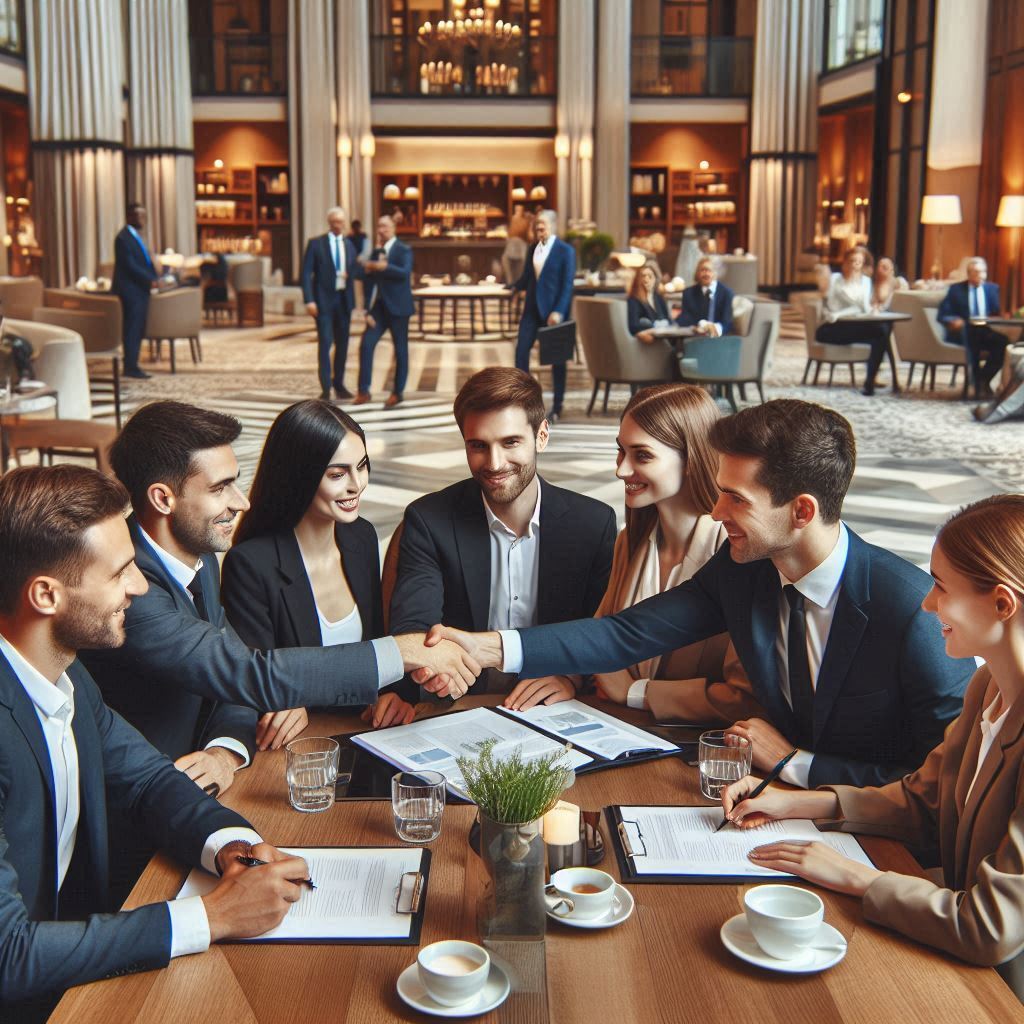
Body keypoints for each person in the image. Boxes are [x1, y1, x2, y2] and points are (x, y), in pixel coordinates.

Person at [426, 399, 975, 789]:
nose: (716, 512)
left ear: (801, 511)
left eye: (736, 499)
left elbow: (944, 774)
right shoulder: (744, 571)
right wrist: (487, 648)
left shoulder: (910, 608)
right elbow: (626, 633)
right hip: (756, 797)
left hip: (871, 831)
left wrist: (795, 766)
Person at [0, 465, 309, 1019]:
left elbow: (147, 780)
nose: (141, 587)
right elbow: (8, 954)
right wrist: (213, 918)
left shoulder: (66, 678)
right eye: (121, 573)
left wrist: (232, 848)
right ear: (46, 594)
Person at [722, 494, 1024, 998]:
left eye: (941, 587)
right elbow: (922, 798)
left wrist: (858, 878)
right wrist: (801, 802)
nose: (927, 603)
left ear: (1001, 603)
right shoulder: (988, 687)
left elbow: (989, 926)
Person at [79, 400, 480, 765]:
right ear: (163, 499)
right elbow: (248, 673)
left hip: (208, 768)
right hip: (146, 793)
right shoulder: (130, 589)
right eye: (220, 488)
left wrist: (226, 750)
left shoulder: (200, 557)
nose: (242, 502)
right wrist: (399, 651)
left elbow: (229, 674)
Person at [504, 383, 766, 722]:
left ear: (691, 459)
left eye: (642, 455)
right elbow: (605, 635)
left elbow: (745, 699)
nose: (621, 470)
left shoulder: (736, 553)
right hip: (621, 728)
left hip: (699, 750)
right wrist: (570, 676)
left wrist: (636, 693)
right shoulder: (632, 539)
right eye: (620, 451)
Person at [371, 367, 617, 726]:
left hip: (553, 707)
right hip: (457, 706)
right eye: (478, 446)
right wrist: (432, 670)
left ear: (542, 436)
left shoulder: (592, 524)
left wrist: (573, 676)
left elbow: (603, 632)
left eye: (510, 442)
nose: (495, 463)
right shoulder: (430, 519)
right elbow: (413, 626)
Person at [221, 400, 387, 744]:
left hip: (368, 732)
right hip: (297, 748)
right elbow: (256, 682)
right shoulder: (251, 565)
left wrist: (391, 694)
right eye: (338, 475)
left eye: (362, 466)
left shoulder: (362, 536)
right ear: (300, 476)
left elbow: (378, 645)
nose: (357, 485)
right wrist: (288, 704)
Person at [511, 209, 576, 422]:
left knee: (558, 360)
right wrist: (508, 287)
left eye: (543, 225)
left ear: (553, 226)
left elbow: (567, 284)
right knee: (521, 353)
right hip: (531, 310)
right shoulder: (533, 249)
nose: (540, 228)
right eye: (537, 225)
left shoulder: (566, 251)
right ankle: (525, 401)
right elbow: (527, 278)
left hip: (553, 313)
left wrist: (559, 310)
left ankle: (557, 406)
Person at [818, 247, 899, 397]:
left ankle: (870, 382)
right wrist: (857, 309)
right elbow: (832, 307)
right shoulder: (836, 279)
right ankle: (877, 381)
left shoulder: (866, 282)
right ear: (845, 262)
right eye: (852, 261)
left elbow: (864, 308)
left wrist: (874, 309)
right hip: (833, 327)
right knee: (882, 332)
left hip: (855, 325)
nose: (855, 265)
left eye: (859, 262)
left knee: (884, 330)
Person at [301, 206, 360, 401]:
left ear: (344, 223)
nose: (338, 225)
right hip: (323, 301)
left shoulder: (350, 245)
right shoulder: (316, 244)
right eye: (335, 222)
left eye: (341, 222)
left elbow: (355, 271)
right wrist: (309, 299)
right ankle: (326, 387)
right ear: (329, 222)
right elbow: (305, 274)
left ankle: (339, 384)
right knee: (325, 343)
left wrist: (349, 274)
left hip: (344, 301)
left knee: (342, 345)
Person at [355, 215, 414, 408]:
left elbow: (404, 272)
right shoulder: (376, 252)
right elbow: (368, 281)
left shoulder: (403, 249)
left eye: (385, 226)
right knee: (366, 345)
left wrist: (383, 266)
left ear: (393, 228)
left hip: (399, 309)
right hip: (378, 309)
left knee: (400, 351)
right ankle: (363, 391)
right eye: (379, 226)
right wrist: (365, 310)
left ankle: (397, 392)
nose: (382, 229)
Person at [938, 257, 1007, 399]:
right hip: (962, 332)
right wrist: (953, 320)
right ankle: (977, 386)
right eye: (976, 272)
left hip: (985, 331)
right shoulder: (956, 289)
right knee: (973, 336)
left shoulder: (992, 289)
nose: (980, 275)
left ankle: (982, 379)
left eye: (983, 272)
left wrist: (1001, 318)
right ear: (969, 274)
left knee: (1003, 342)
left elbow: (996, 313)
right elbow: (943, 314)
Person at [112, 201, 159, 380]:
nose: (142, 219)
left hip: (140, 290)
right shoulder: (123, 238)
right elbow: (130, 265)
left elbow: (144, 262)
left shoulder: (136, 237)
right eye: (138, 215)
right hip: (130, 291)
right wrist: (151, 279)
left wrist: (155, 276)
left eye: (143, 215)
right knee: (132, 329)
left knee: (138, 329)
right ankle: (130, 366)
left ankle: (133, 363)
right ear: (129, 217)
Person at [675, 256, 735, 338]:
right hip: (695, 338)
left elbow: (728, 322)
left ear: (715, 273)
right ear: (697, 273)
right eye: (703, 270)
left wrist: (715, 329)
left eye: (709, 270)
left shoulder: (727, 293)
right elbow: (685, 317)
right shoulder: (688, 293)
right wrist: (699, 325)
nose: (706, 274)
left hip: (719, 339)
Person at [627, 264, 671, 344]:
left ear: (655, 279)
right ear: (638, 280)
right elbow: (634, 326)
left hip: (665, 337)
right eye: (643, 276)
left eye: (650, 276)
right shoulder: (634, 300)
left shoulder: (659, 298)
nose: (646, 279)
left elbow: (668, 319)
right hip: (651, 342)